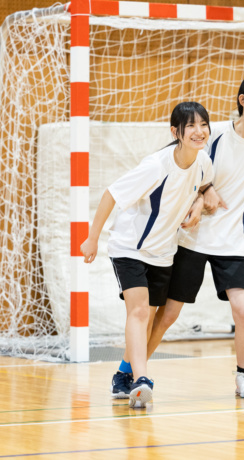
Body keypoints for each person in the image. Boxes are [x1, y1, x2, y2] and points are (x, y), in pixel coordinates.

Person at [147, 74, 244, 398]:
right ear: (243, 101)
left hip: (235, 241)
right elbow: (187, 163)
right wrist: (206, 190)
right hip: (194, 238)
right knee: (168, 313)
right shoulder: (216, 134)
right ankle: (134, 370)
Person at [80, 101, 214, 408]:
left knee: (150, 318)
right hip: (129, 247)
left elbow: (202, 185)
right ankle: (142, 379)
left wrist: (199, 202)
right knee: (139, 312)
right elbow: (111, 193)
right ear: (175, 132)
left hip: (163, 252)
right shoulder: (156, 166)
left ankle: (123, 377)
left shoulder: (204, 162)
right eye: (190, 126)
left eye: (203, 125)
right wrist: (92, 238)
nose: (198, 131)